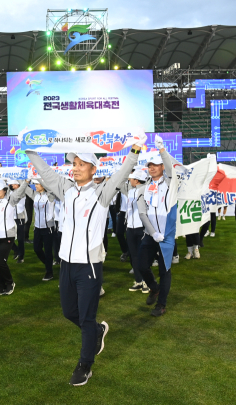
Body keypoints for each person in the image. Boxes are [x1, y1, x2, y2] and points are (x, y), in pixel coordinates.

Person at [26, 133, 145, 387]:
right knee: (70, 312)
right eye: (74, 163)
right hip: (67, 265)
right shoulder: (67, 189)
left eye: (81, 164)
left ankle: (85, 365)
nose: (76, 168)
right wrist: (29, 150)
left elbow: (121, 175)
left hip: (89, 267)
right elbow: (46, 173)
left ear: (93, 168)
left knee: (86, 318)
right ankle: (98, 332)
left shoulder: (102, 192)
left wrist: (134, 150)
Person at [136, 136, 180, 318]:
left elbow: (171, 169)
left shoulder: (170, 183)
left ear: (162, 166)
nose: (152, 167)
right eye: (149, 165)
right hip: (150, 234)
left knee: (165, 270)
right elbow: (142, 213)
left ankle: (161, 304)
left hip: (167, 236)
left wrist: (162, 150)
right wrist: (152, 233)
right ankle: (154, 288)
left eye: (155, 164)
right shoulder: (143, 188)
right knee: (141, 266)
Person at [24, 179, 56, 280]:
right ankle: (48, 263)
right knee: (37, 249)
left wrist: (41, 177)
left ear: (43, 185)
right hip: (37, 227)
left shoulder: (50, 196)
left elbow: (51, 188)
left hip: (48, 228)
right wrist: (26, 180)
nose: (35, 186)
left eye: (37, 184)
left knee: (47, 250)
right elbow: (24, 187)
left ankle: (49, 272)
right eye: (35, 184)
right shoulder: (35, 195)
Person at [124, 168, 149, 293]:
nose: (129, 180)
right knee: (134, 256)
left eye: (131, 178)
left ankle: (146, 281)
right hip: (130, 227)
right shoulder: (131, 191)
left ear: (137, 180)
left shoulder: (146, 190)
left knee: (143, 256)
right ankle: (139, 280)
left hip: (142, 227)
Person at [8, 179, 27, 264]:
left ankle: (21, 256)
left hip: (20, 216)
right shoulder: (11, 192)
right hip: (12, 216)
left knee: (20, 238)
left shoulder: (22, 192)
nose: (12, 185)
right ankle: (16, 250)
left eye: (13, 184)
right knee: (8, 235)